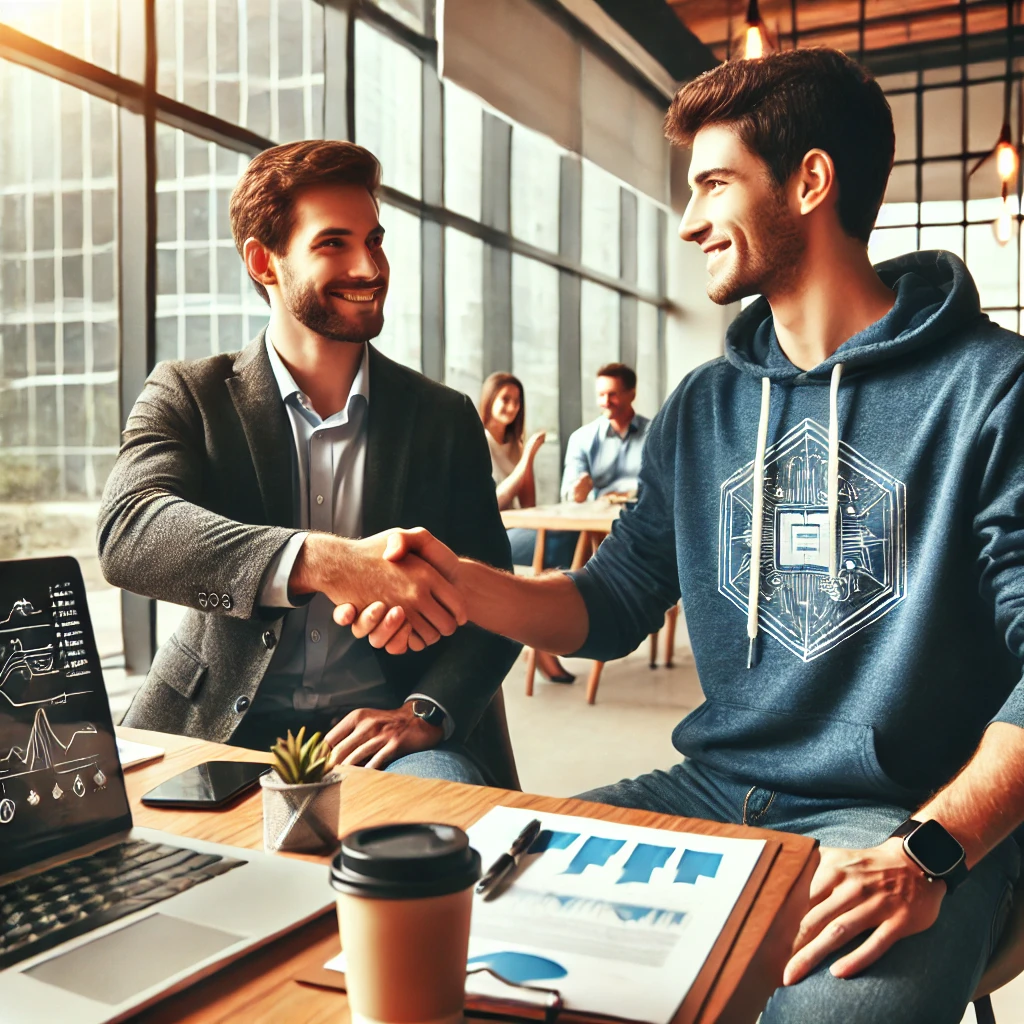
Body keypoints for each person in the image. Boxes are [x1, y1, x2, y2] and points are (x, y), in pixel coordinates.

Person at [339, 49, 1024, 1023]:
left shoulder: (993, 389)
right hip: (706, 789)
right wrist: (457, 580)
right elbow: (613, 600)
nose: (691, 220)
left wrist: (930, 849)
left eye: (712, 184)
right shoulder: (703, 405)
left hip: (901, 816)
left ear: (810, 181)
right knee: (449, 943)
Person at [97, 140, 520, 788]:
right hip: (214, 724)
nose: (369, 265)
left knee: (444, 855)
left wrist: (425, 713)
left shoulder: (443, 417)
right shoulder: (188, 392)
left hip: (390, 736)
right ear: (264, 261)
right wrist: (323, 563)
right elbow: (130, 532)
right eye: (334, 244)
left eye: (374, 240)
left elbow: (494, 592)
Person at [479, 371, 575, 683]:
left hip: (515, 527)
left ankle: (539, 635)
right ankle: (541, 643)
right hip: (489, 532)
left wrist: (525, 456)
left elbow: (529, 505)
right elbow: (495, 503)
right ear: (490, 400)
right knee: (557, 547)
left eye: (517, 401)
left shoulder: (514, 444)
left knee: (565, 541)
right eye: (505, 399)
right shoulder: (479, 440)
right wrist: (528, 457)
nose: (512, 407)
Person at [561, 363, 650, 503]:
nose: (605, 402)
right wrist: (577, 493)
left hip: (644, 518)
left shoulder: (656, 435)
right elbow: (569, 494)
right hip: (595, 520)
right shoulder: (581, 439)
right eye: (601, 395)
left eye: (612, 395)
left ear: (631, 395)